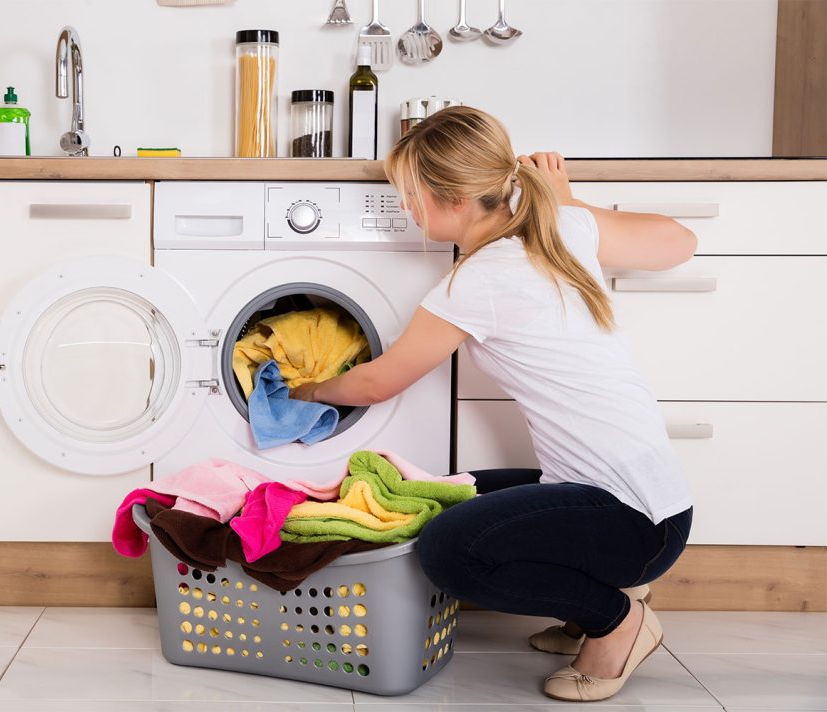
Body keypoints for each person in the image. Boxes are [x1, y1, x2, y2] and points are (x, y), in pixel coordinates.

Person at [291, 106, 695, 702]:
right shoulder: (559, 230)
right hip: (652, 505)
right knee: (445, 493)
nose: (405, 208)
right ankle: (599, 601)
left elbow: (377, 383)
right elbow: (680, 241)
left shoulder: (477, 280)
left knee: (448, 549)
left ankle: (615, 619)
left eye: (409, 194)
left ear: (451, 197)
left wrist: (302, 389)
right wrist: (567, 202)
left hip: (631, 522)